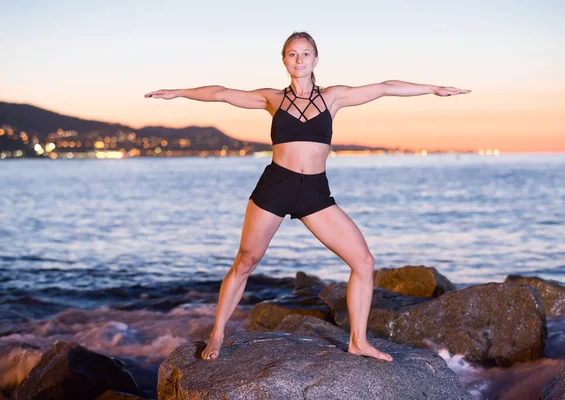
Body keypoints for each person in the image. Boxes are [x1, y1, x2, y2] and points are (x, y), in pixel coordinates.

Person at [144, 31, 471, 362]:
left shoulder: (334, 97)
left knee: (364, 261)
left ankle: (358, 340)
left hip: (315, 192)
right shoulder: (272, 98)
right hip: (275, 186)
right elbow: (221, 93)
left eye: (305, 54)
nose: (299, 59)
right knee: (245, 261)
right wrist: (178, 93)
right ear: (284, 60)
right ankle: (217, 334)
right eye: (292, 54)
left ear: (316, 59)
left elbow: (385, 87)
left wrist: (432, 88)